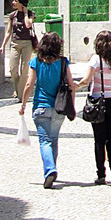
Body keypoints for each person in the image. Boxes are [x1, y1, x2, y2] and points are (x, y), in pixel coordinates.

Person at [19, 31, 77, 188]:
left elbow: (29, 85)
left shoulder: (36, 62)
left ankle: (50, 170)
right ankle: (53, 168)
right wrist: (72, 105)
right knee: (53, 139)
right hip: (59, 108)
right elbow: (71, 85)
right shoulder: (63, 62)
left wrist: (23, 104)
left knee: (44, 140)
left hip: (41, 107)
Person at [76, 30, 111, 184]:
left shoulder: (95, 60)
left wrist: (75, 86)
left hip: (98, 102)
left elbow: (86, 81)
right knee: (110, 136)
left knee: (99, 139)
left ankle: (101, 174)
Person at [0, 0, 36, 99]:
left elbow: (28, 25)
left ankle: (20, 95)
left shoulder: (30, 13)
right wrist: (3, 45)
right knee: (13, 68)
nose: (13, 2)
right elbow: (8, 32)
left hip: (27, 44)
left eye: (16, 1)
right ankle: (18, 88)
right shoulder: (12, 15)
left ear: (21, 3)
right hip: (15, 43)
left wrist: (25, 14)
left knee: (24, 69)